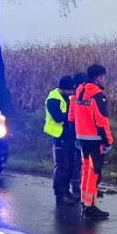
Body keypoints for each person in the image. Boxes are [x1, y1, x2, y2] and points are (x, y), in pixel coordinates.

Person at [69, 64, 113, 221]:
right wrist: (108, 141)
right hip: (95, 140)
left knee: (86, 171)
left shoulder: (78, 93)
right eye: (103, 77)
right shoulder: (97, 96)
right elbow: (102, 121)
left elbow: (71, 118)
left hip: (82, 139)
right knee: (94, 173)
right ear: (99, 77)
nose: (104, 80)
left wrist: (77, 135)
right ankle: (90, 208)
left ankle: (85, 203)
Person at [44, 75, 79, 205]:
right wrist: (72, 112)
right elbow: (58, 117)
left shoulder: (67, 97)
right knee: (62, 166)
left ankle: (66, 191)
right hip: (59, 136)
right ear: (62, 88)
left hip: (68, 136)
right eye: (69, 90)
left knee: (70, 165)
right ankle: (60, 193)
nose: (71, 93)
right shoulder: (53, 99)